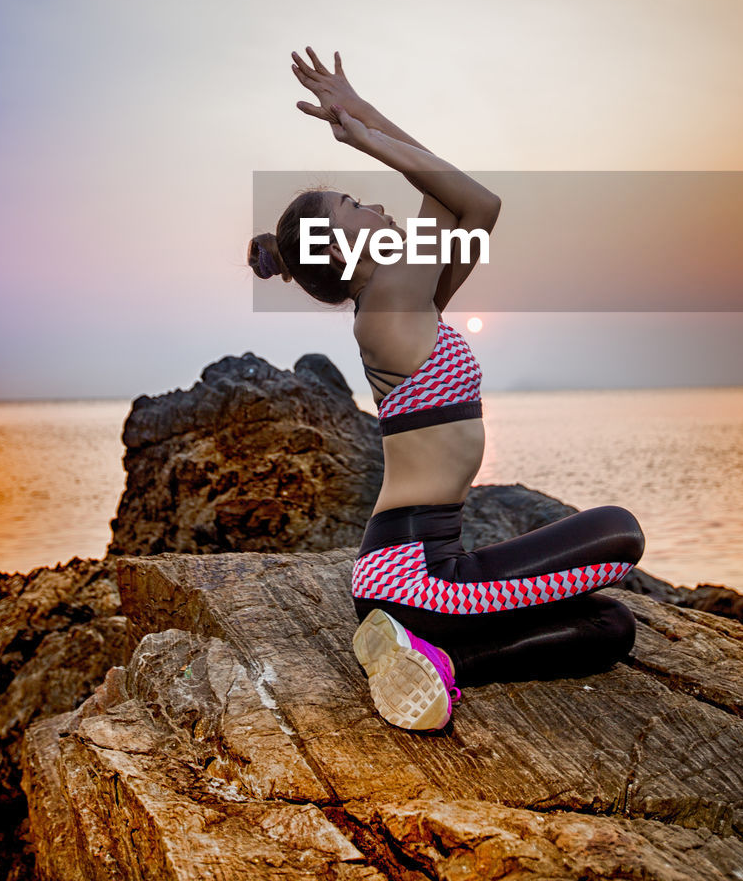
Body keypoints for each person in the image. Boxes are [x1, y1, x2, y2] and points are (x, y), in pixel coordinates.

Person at [247, 46, 645, 732]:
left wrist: (359, 110)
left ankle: (434, 657)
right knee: (619, 534)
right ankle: (423, 644)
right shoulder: (386, 303)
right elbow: (477, 200)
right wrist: (366, 137)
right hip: (416, 566)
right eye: (353, 206)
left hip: (421, 567)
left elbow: (447, 197)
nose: (374, 203)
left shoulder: (403, 299)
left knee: (609, 626)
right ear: (341, 252)